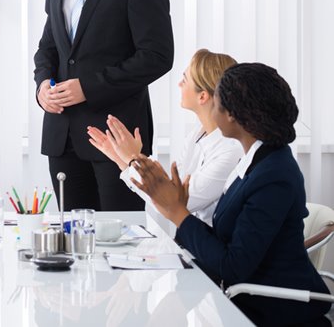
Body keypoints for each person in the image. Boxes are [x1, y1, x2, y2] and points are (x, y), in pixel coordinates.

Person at [131, 63, 330, 326]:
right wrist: (178, 213)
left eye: (217, 104)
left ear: (234, 115)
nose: (212, 111)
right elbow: (226, 241)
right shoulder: (254, 161)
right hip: (237, 300)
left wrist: (180, 214)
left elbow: (234, 266)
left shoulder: (275, 175)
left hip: (271, 310)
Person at [33, 0, 174, 211]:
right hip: (62, 135)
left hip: (117, 138)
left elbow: (156, 56)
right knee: (72, 240)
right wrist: (42, 87)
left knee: (120, 242)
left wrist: (89, 88)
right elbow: (49, 47)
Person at [87, 49, 243, 225]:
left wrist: (133, 159)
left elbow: (176, 202)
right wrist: (122, 161)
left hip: (208, 245)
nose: (179, 84)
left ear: (203, 96)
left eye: (184, 80)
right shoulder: (196, 135)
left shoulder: (231, 150)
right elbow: (170, 191)